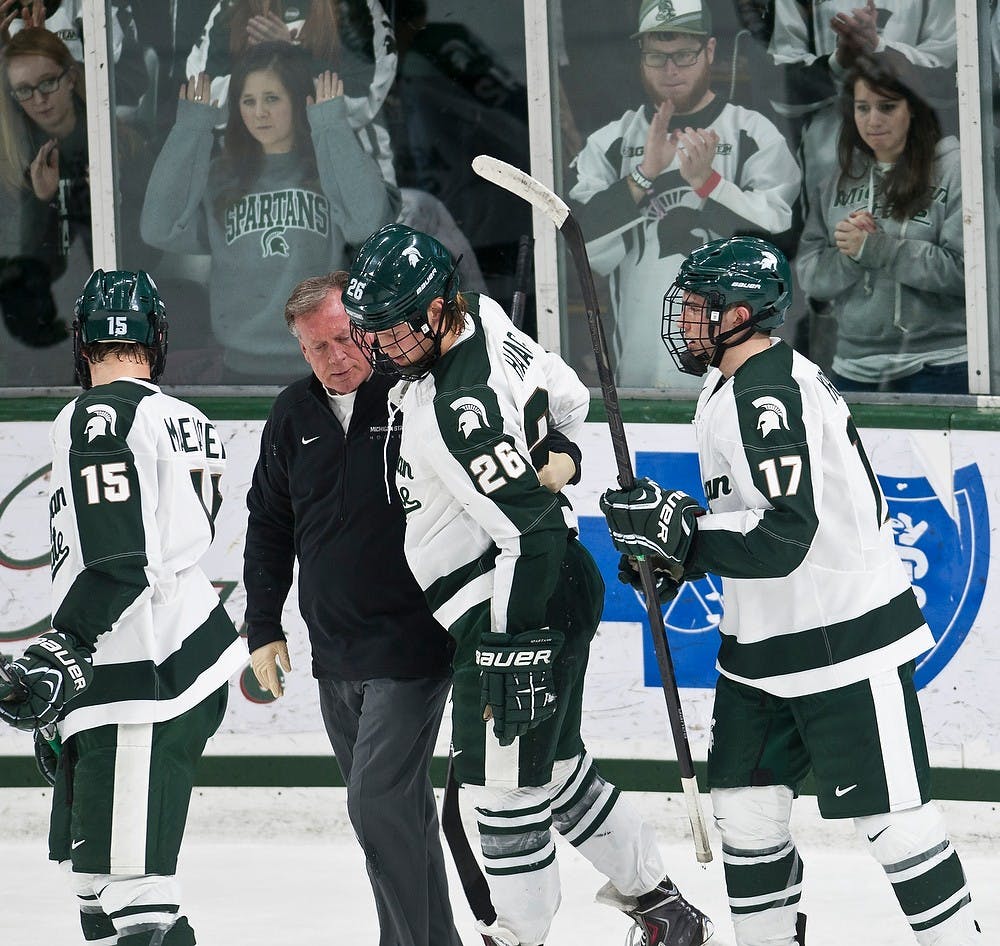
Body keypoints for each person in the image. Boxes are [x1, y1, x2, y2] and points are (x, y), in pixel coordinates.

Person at [600, 236, 981, 946]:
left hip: (843, 641)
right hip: (760, 651)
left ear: (739, 313)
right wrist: (676, 552)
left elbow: (782, 537)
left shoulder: (767, 392)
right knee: (745, 818)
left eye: (697, 308)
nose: (684, 321)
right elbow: (746, 523)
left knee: (897, 826)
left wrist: (685, 538)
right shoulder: (733, 384)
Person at [343, 223, 714, 946]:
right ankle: (665, 912)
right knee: (556, 768)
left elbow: (532, 535)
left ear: (438, 308)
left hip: (514, 600)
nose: (383, 346)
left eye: (395, 330)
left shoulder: (460, 409)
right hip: (553, 586)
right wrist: (562, 456)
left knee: (501, 792)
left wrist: (512, 649)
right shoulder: (484, 315)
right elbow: (568, 400)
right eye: (375, 331)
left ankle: (517, 937)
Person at [0, 268, 247, 946]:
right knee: (99, 895)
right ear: (157, 339)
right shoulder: (190, 420)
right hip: (147, 659)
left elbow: (119, 557)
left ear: (81, 343)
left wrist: (67, 647)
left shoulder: (95, 415)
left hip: (142, 667)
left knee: (137, 899)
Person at [242, 270, 463, 946]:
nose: (337, 356)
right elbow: (269, 525)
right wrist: (262, 626)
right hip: (334, 652)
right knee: (400, 811)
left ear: (366, 328)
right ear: (301, 352)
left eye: (345, 338)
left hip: (413, 643)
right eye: (318, 347)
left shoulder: (414, 397)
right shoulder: (292, 415)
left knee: (375, 804)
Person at [567, 0, 800, 391]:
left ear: (709, 51)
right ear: (641, 58)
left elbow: (779, 245)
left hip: (740, 381)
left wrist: (709, 184)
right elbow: (578, 245)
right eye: (657, 57)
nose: (670, 70)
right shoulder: (611, 142)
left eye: (684, 55)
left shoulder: (753, 134)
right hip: (639, 379)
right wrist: (643, 177)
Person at [140, 40, 399, 383]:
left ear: (298, 101)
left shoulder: (327, 169)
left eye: (272, 99)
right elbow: (158, 228)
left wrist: (330, 125)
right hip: (241, 369)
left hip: (326, 362)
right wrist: (192, 127)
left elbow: (368, 226)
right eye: (248, 101)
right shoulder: (222, 177)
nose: (259, 112)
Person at [796, 55, 965, 393]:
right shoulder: (838, 180)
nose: (873, 120)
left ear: (913, 107)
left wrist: (878, 248)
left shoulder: (955, 170)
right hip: (852, 369)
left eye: (887, 107)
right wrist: (851, 254)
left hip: (942, 364)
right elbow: (810, 277)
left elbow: (967, 273)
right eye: (862, 108)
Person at [185, 0, 395, 127]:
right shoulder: (231, 7)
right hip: (252, 177)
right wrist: (266, 61)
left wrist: (291, 56)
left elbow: (361, 101)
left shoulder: (355, 6)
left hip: (345, 177)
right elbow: (206, 102)